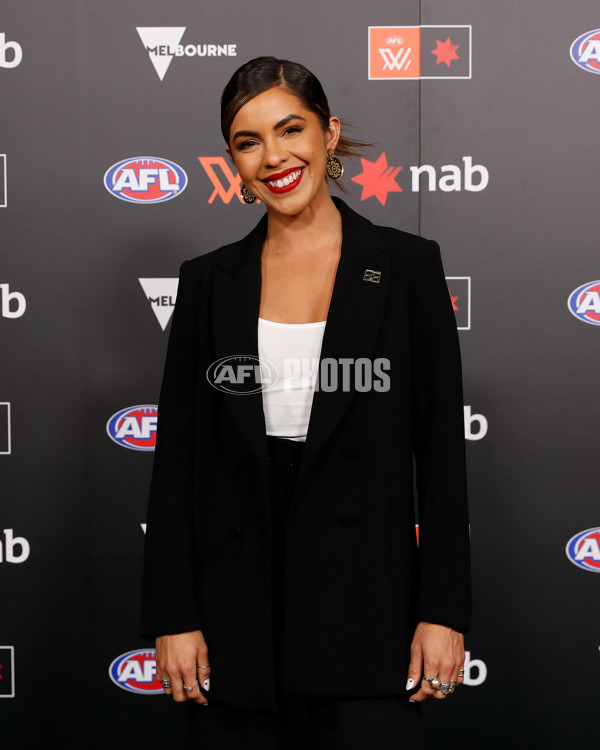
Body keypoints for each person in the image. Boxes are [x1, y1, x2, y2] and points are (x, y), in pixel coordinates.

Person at [140, 56, 471, 749]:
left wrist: (443, 611)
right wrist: (173, 615)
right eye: (247, 141)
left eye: (290, 129)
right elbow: (176, 466)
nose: (274, 157)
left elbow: (440, 457)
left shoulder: (407, 266)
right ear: (232, 160)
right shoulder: (207, 283)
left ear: (329, 133)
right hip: (233, 620)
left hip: (366, 612)